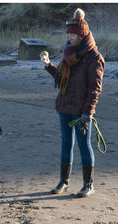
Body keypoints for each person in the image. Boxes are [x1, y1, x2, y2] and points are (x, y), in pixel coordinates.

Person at [40, 8, 105, 198]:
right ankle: (64, 182)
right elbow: (61, 78)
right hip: (64, 106)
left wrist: (88, 112)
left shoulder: (94, 58)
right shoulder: (69, 54)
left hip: (81, 110)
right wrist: (48, 65)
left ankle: (88, 184)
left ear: (82, 34)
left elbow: (95, 89)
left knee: (84, 146)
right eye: (68, 34)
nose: (70, 38)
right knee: (66, 144)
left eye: (73, 35)